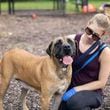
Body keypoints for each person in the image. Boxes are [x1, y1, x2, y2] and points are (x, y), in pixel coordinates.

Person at [58, 13, 110, 110]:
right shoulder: (72, 40)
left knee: (75, 103)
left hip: (92, 92)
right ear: (88, 23)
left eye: (95, 36)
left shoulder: (104, 52)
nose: (90, 36)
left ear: (103, 34)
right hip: (69, 87)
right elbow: (55, 56)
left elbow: (101, 82)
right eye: (89, 31)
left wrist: (76, 90)